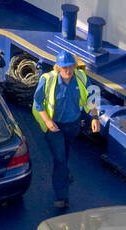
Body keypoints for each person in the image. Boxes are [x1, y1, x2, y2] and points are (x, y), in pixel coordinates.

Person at [33, 52, 100, 210]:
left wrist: (95, 118)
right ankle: (62, 196)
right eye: (64, 68)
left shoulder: (82, 78)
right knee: (59, 159)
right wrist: (48, 122)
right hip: (54, 127)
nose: (68, 71)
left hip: (73, 124)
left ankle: (65, 171)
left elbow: (92, 97)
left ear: (74, 66)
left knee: (66, 151)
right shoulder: (48, 80)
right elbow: (37, 103)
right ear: (57, 68)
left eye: (70, 67)